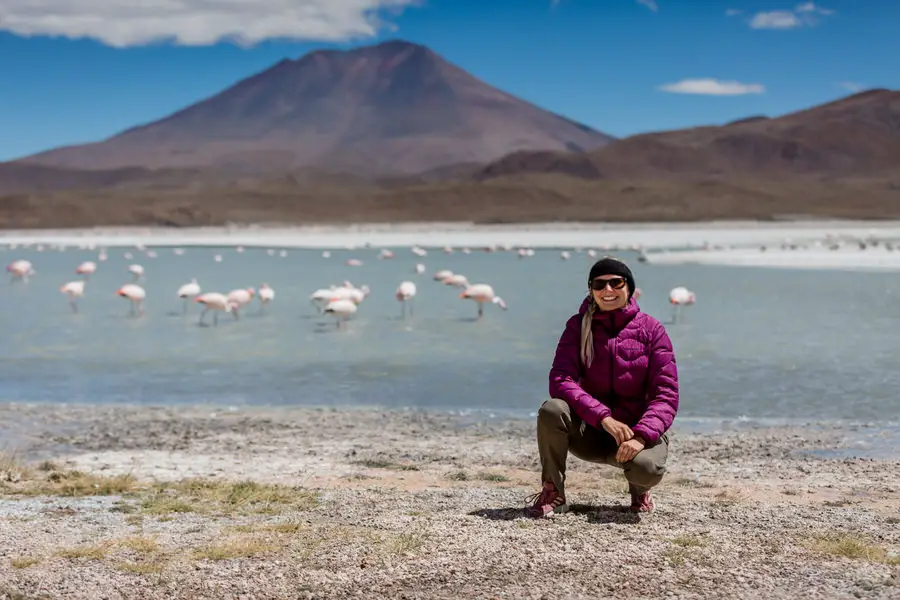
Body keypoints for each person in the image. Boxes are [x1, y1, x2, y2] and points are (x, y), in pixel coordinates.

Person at [526, 256, 678, 517]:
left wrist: (641, 436)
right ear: (591, 290)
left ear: (628, 287)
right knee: (552, 409)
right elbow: (561, 380)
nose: (608, 291)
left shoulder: (652, 330)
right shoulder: (577, 327)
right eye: (600, 284)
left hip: (635, 434)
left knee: (647, 469)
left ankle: (639, 490)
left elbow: (666, 394)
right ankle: (554, 493)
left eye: (616, 283)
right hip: (591, 433)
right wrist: (603, 417)